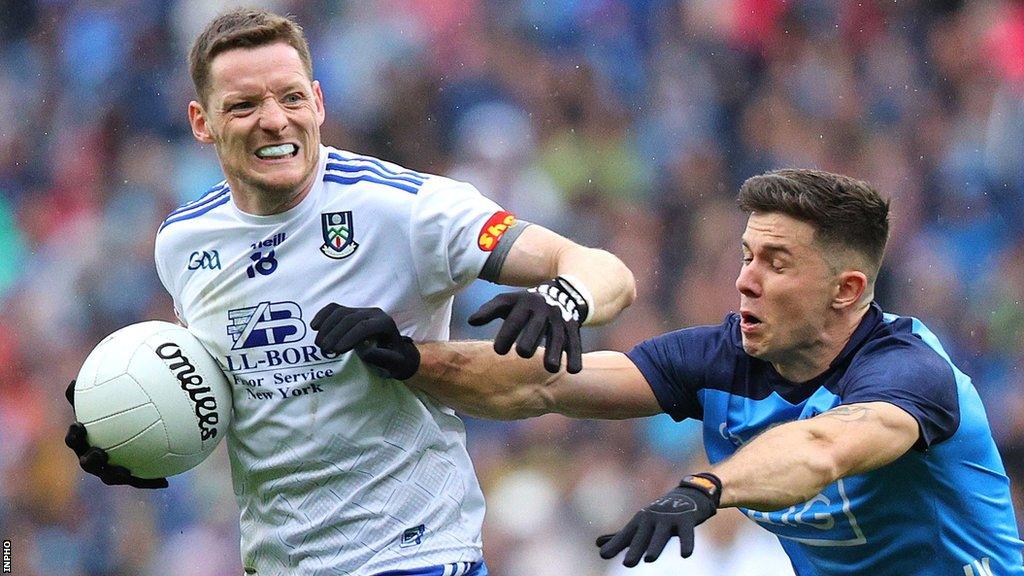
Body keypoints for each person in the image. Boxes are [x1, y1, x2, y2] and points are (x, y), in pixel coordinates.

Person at [62, 9, 636, 576]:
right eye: (243, 105)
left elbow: (605, 270)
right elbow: (235, 393)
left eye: (290, 98)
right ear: (200, 121)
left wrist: (564, 299)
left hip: (415, 554)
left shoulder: (405, 210)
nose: (274, 120)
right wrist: (133, 424)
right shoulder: (182, 243)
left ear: (318, 101)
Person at [401, 169, 1024, 575]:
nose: (744, 280)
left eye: (775, 263)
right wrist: (408, 358)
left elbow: (823, 448)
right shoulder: (724, 357)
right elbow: (545, 383)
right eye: (747, 255)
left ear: (847, 289)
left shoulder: (912, 373)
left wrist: (706, 489)